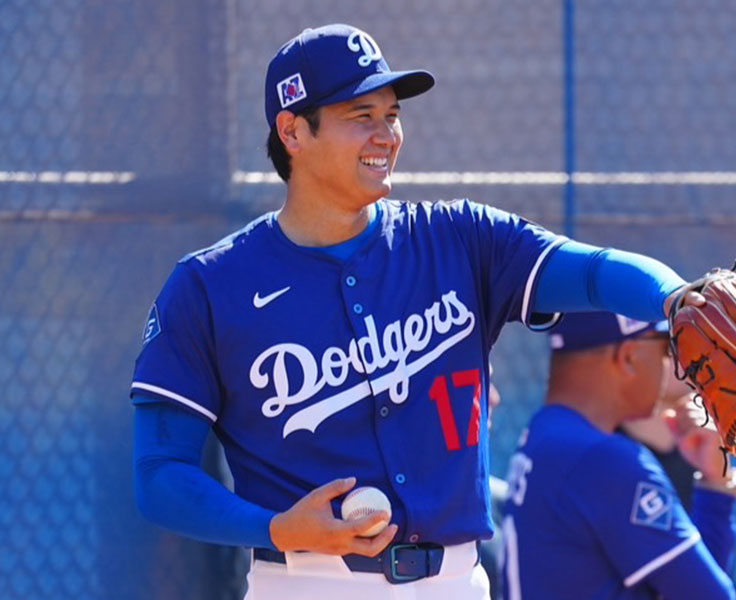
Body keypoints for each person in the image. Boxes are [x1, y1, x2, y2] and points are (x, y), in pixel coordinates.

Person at [131, 23, 706, 600]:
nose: (387, 135)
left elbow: (590, 271)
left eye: (393, 114)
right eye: (362, 115)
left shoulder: (461, 238)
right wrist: (274, 527)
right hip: (307, 583)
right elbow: (160, 474)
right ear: (292, 131)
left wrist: (678, 297)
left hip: (457, 582)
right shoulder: (209, 285)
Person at [501, 311, 736, 600]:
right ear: (628, 357)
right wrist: (717, 491)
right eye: (665, 349)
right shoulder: (604, 459)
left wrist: (713, 480)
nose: (671, 365)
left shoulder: (545, 430)